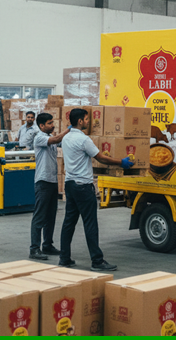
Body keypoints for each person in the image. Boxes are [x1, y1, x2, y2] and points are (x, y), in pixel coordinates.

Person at [59, 108, 134, 271]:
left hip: (70, 184)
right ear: (80, 121)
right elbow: (100, 158)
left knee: (69, 222)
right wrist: (121, 162)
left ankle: (64, 258)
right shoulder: (83, 139)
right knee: (90, 223)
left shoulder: (66, 138)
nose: (88, 122)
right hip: (83, 187)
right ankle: (97, 261)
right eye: (86, 119)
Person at [29, 113, 71, 260]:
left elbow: (61, 142)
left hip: (52, 181)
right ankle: (34, 249)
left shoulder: (49, 137)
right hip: (43, 182)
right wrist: (69, 129)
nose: (52, 125)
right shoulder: (39, 137)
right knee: (40, 216)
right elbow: (57, 139)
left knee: (50, 216)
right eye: (49, 123)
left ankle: (47, 245)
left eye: (52, 122)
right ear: (41, 126)